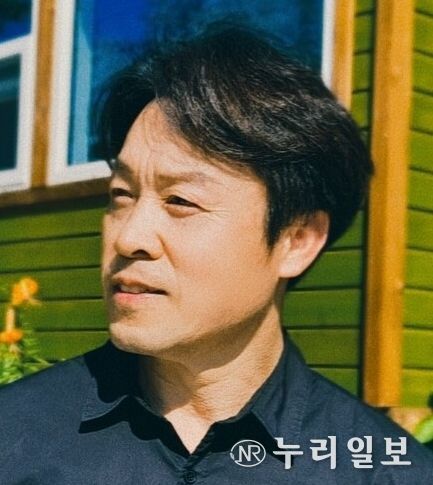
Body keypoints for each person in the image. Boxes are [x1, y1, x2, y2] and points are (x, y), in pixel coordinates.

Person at [1, 24, 432, 484]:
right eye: (122, 195)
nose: (129, 239)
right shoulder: (16, 436)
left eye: (180, 201)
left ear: (297, 240)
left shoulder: (383, 470)